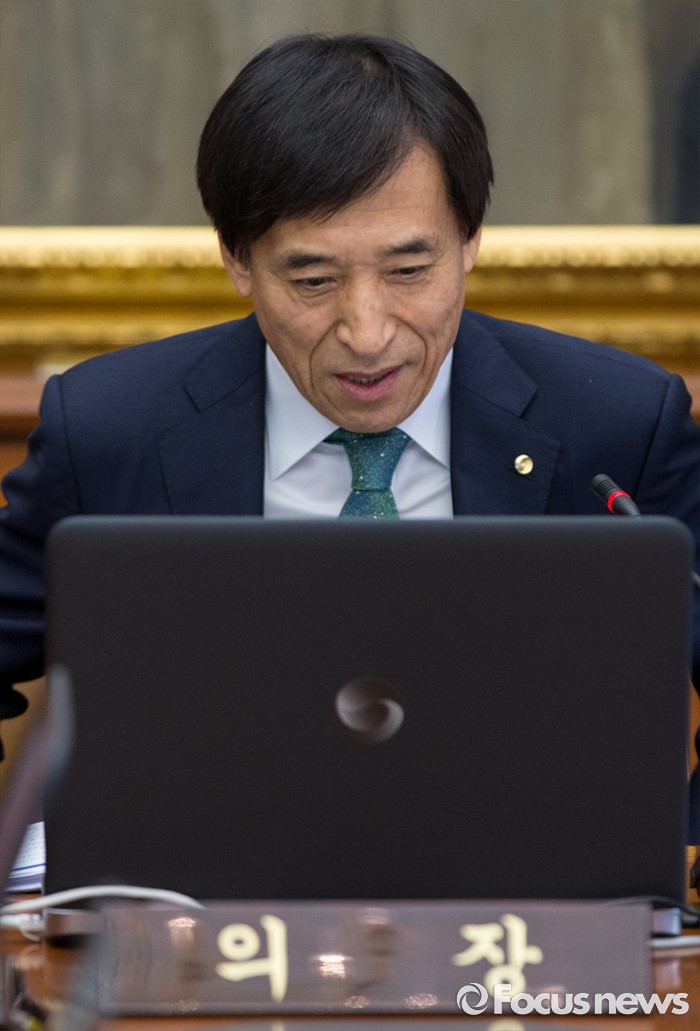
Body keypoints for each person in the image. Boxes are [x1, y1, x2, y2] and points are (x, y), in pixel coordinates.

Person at [1, 33, 699, 837]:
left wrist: (676, 860)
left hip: (528, 900)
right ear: (237, 260)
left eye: (409, 272)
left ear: (471, 239)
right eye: (313, 280)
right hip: (203, 900)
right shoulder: (108, 430)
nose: (367, 334)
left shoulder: (615, 425)